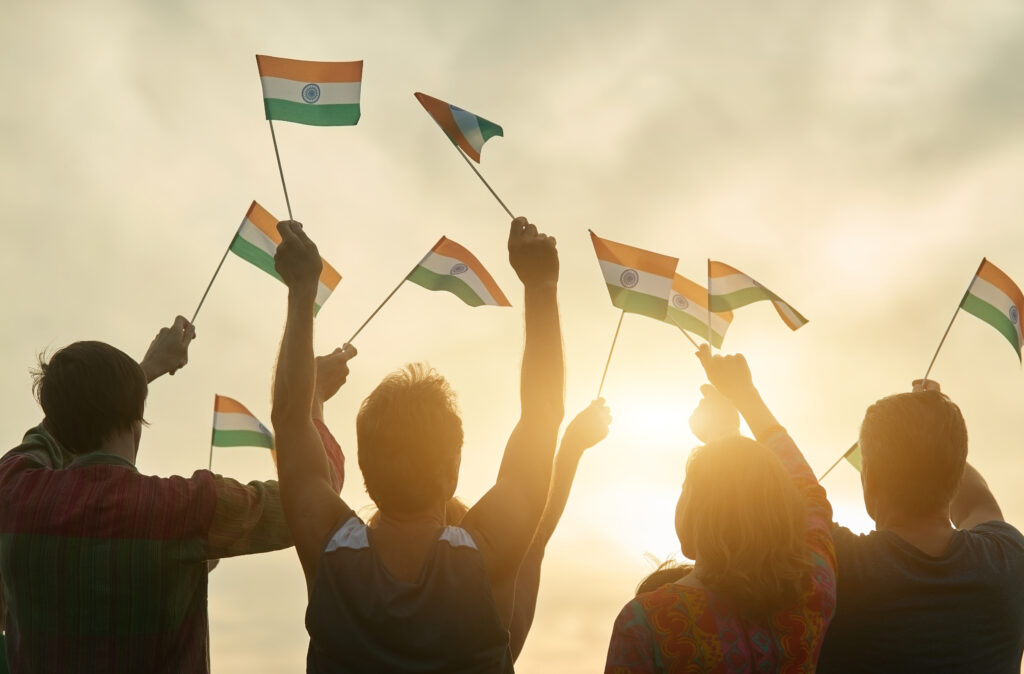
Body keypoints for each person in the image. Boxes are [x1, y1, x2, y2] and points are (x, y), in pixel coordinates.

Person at [270, 216, 564, 672]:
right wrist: (541, 286)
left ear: (365, 472)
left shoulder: (329, 549)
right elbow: (543, 417)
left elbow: (289, 421)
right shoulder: (487, 553)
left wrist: (302, 291)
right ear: (453, 469)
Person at [0, 317, 348, 673]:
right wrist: (314, 400)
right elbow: (312, 499)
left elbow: (50, 432)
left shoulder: (15, 492)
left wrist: (143, 373)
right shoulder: (181, 509)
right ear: (136, 419)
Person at [605, 346, 836, 672]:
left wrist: (724, 432)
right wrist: (745, 397)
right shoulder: (812, 594)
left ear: (698, 512)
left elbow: (806, 498)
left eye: (688, 488)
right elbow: (810, 496)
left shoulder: (647, 622)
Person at [817, 380, 1024, 672]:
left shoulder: (838, 565)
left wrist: (747, 402)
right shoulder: (1008, 561)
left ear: (869, 478)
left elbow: (791, 494)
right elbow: (978, 501)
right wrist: (936, 431)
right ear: (954, 471)